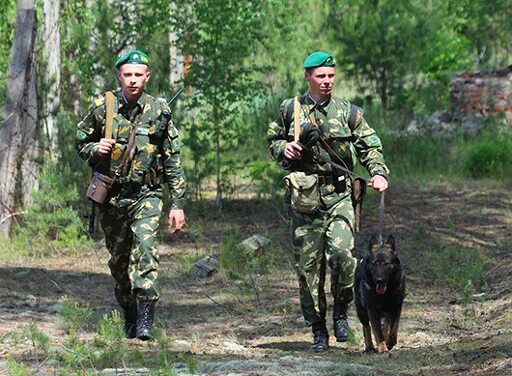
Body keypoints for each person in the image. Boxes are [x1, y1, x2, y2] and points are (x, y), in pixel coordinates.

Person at [267, 51, 389, 352]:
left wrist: (378, 172)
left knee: (342, 256)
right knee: (309, 269)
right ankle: (318, 330)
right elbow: (272, 141)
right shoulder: (290, 109)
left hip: (339, 197)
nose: (327, 82)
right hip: (305, 200)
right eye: (321, 76)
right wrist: (287, 149)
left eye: (331, 76)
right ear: (308, 76)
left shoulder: (348, 112)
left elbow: (369, 144)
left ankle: (341, 312)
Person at [76, 50, 186, 341]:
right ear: (120, 76)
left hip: (147, 196)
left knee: (147, 251)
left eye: (139, 74)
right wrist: (94, 149)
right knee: (119, 262)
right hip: (113, 198)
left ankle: (147, 321)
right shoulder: (104, 108)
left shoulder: (159, 111)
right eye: (128, 74)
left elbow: (172, 158)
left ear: (147, 76)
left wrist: (177, 203)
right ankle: (130, 314)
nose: (133, 80)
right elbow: (80, 140)